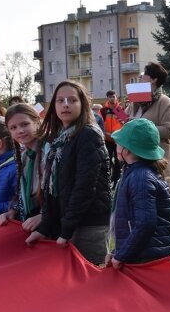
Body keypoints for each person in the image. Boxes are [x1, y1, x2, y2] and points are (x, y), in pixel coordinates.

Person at [25, 81, 111, 265]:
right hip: (68, 222)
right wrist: (46, 226)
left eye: (72, 100)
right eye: (60, 100)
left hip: (88, 223)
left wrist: (66, 230)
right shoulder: (57, 139)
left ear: (83, 104)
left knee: (89, 284)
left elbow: (85, 186)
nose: (65, 104)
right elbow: (50, 186)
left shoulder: (88, 135)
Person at [104, 118, 170, 268]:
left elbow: (145, 224)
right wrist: (118, 251)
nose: (116, 145)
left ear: (127, 149)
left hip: (145, 260)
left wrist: (122, 255)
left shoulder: (140, 178)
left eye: (119, 142)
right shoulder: (135, 173)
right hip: (139, 254)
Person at [125, 62, 170, 194]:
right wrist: (122, 118)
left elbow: (169, 131)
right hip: (137, 161)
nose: (139, 77)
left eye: (144, 75)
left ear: (153, 79)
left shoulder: (165, 102)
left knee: (161, 207)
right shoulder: (136, 101)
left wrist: (142, 127)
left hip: (160, 162)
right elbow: (127, 121)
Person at [0, 103, 45, 231]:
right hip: (31, 221)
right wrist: (13, 210)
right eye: (13, 127)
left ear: (37, 122)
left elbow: (61, 194)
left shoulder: (50, 152)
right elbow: (23, 193)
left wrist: (44, 216)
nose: (20, 130)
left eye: (25, 124)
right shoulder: (23, 156)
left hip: (51, 224)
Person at [100, 90, 126, 186]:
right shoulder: (103, 110)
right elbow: (99, 124)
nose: (112, 98)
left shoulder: (119, 109)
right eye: (110, 97)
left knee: (118, 161)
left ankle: (116, 181)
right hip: (107, 140)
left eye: (114, 96)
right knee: (107, 161)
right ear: (107, 98)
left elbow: (125, 123)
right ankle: (107, 180)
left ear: (116, 97)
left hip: (118, 140)